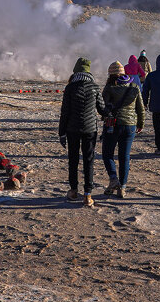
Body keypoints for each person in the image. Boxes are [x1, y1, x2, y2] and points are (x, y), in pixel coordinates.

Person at [59, 57, 106, 207]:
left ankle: (73, 191)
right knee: (89, 161)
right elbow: (102, 109)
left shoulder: (70, 88)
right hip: (90, 129)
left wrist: (62, 132)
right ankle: (88, 194)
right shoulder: (94, 87)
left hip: (72, 129)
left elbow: (65, 112)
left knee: (73, 160)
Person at [101, 62, 144, 198]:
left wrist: (105, 115)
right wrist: (140, 123)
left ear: (110, 74)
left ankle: (113, 179)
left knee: (107, 154)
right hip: (130, 125)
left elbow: (103, 108)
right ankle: (122, 188)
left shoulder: (109, 88)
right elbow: (140, 108)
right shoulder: (134, 87)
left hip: (112, 125)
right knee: (124, 156)